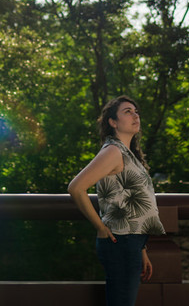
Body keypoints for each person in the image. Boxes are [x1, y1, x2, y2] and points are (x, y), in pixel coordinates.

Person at [68, 95, 165, 306]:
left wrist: (141, 248)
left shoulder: (127, 154)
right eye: (127, 111)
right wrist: (101, 228)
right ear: (113, 122)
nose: (135, 115)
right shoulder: (113, 151)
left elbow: (128, 203)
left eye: (136, 111)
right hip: (120, 242)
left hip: (130, 243)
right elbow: (76, 188)